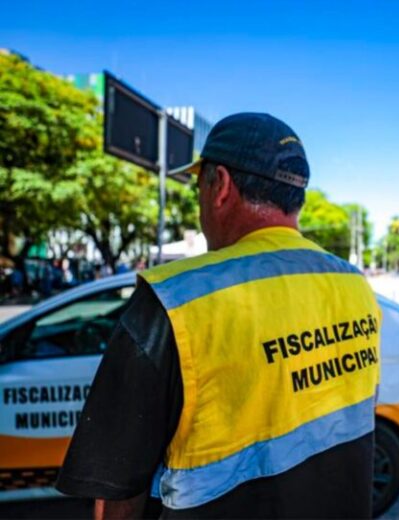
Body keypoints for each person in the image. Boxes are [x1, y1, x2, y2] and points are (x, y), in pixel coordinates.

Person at [56, 113, 382, 518]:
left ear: (221, 186)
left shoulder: (175, 299)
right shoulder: (354, 286)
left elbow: (118, 488)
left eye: (199, 186)